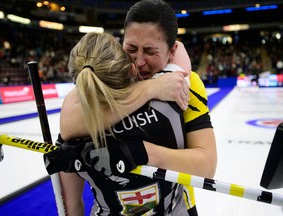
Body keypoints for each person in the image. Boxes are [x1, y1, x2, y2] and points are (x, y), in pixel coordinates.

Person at [45, 0, 217, 215]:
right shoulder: (100, 82)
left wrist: (143, 153)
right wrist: (150, 88)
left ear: (171, 51)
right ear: (121, 43)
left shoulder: (184, 84)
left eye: (150, 51)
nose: (139, 62)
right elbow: (70, 125)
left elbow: (206, 166)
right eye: (131, 48)